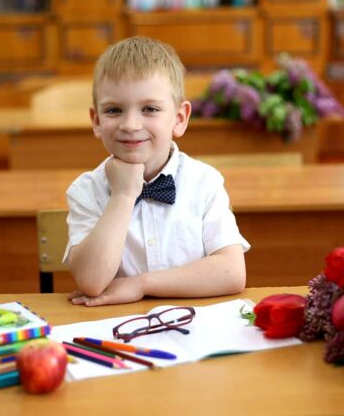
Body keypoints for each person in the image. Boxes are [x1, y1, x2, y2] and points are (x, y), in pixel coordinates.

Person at [64, 36, 250, 306]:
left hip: (193, 321)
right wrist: (123, 195)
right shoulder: (86, 191)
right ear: (96, 121)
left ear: (179, 118)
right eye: (114, 110)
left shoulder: (204, 182)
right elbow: (91, 281)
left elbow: (232, 272)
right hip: (117, 323)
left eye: (149, 109)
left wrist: (142, 284)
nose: (130, 124)